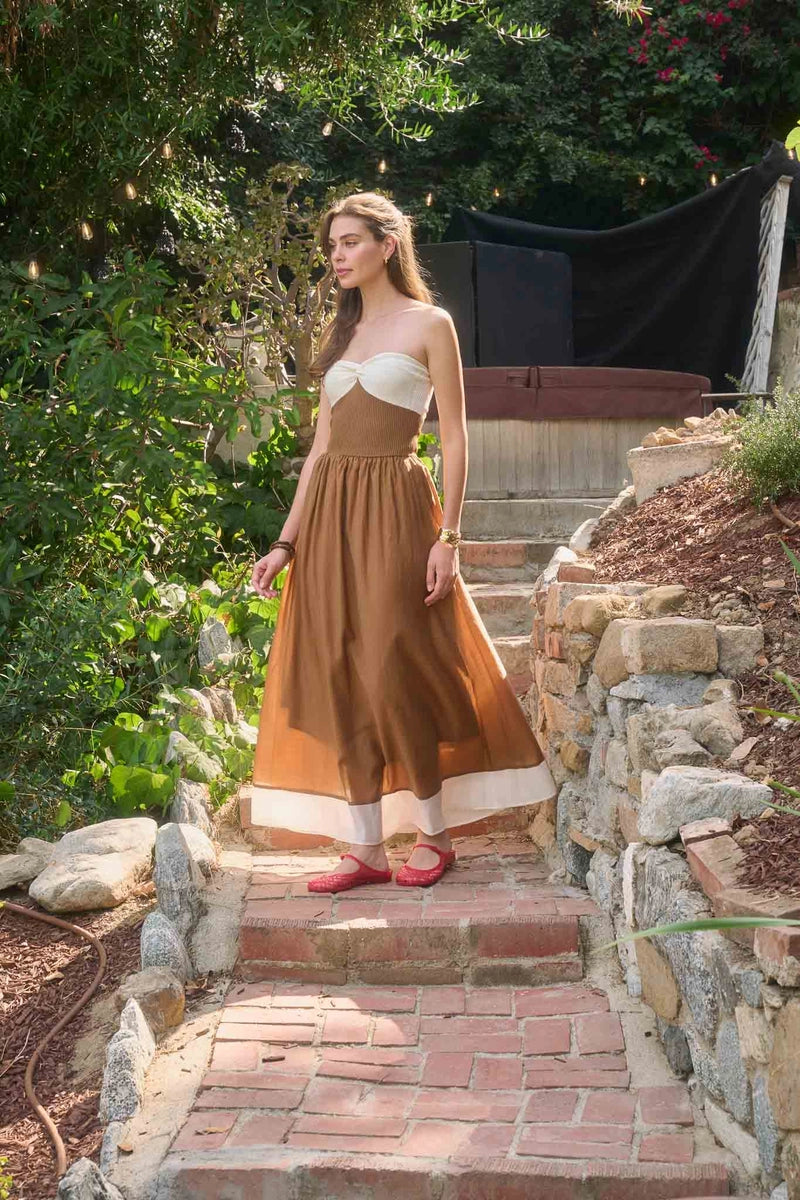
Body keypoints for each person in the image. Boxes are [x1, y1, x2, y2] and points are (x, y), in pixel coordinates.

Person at [250, 191, 555, 893]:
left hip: (395, 503)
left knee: (393, 660)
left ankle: (434, 833)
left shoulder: (430, 323)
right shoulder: (342, 334)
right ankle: (363, 847)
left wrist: (450, 536)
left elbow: (455, 437)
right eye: (332, 246)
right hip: (330, 516)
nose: (337, 256)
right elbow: (321, 450)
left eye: (350, 242)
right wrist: (285, 544)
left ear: (388, 245)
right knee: (339, 669)